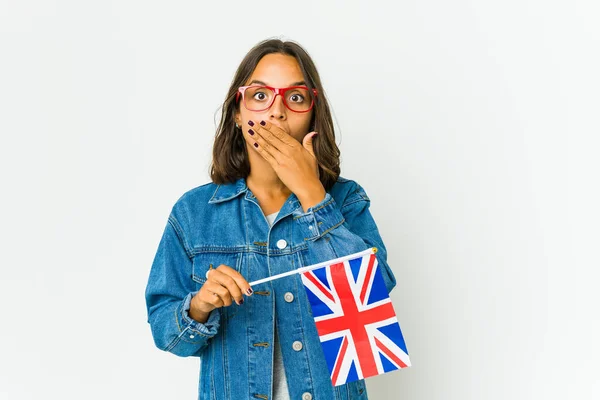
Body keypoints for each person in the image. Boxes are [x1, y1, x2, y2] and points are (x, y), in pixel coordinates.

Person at [145, 38, 397, 400]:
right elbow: (165, 333)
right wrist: (199, 306)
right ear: (237, 112)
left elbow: (376, 303)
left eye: (295, 97)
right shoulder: (193, 212)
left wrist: (313, 195)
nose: (277, 111)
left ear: (313, 112)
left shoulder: (346, 200)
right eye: (260, 96)